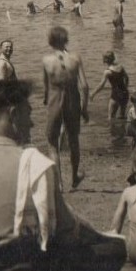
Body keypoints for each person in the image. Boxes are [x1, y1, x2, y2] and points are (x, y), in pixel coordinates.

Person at [0, 80, 126, 271]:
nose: (32, 123)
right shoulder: (36, 162)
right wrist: (102, 236)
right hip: (24, 265)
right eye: (29, 113)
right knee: (115, 249)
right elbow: (67, 228)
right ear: (13, 115)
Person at [42, 26, 90, 189]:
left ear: (50, 41)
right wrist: (84, 108)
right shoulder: (75, 58)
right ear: (66, 39)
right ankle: (74, 177)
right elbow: (84, 86)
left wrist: (46, 102)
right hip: (73, 100)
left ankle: (59, 183)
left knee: (52, 142)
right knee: (73, 140)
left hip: (55, 99)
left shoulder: (46, 60)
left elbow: (46, 87)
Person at [90, 50, 131, 122]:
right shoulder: (120, 67)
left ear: (105, 60)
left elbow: (101, 85)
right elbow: (127, 78)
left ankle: (113, 131)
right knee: (122, 116)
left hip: (116, 94)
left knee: (111, 117)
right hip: (125, 93)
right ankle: (122, 131)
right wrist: (126, 87)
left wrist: (93, 93)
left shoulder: (107, 72)